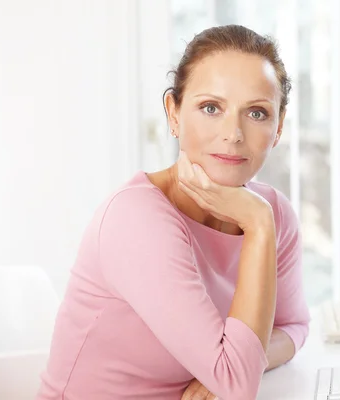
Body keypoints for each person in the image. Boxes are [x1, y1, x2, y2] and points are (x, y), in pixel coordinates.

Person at [36, 24, 310, 400]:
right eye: (211, 107)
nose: (233, 133)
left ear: (278, 128)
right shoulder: (136, 218)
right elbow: (236, 384)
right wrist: (259, 228)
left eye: (257, 113)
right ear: (174, 113)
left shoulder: (273, 211)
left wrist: (236, 364)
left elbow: (294, 327)